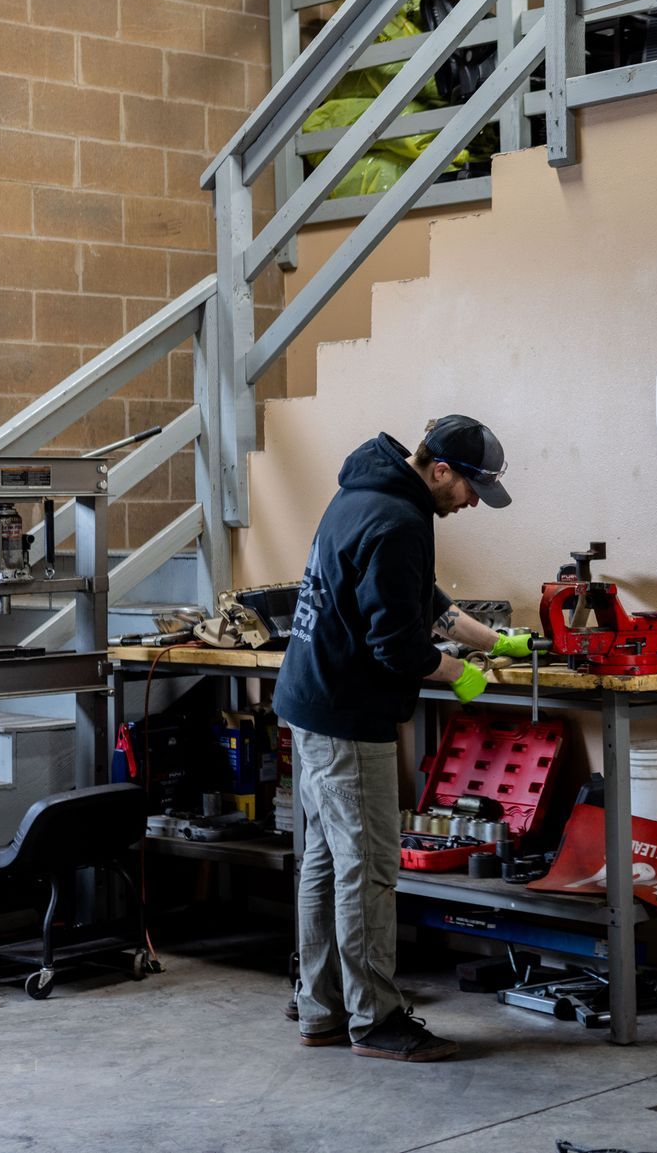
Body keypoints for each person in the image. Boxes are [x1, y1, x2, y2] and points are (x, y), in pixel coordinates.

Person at [273, 415, 533, 1062]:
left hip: (309, 701)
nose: (473, 503)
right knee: (369, 870)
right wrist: (466, 678)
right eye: (472, 488)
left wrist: (496, 641)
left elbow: (426, 600)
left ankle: (323, 1008)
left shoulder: (369, 492)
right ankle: (377, 1020)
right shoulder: (400, 521)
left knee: (330, 865)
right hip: (348, 715)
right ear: (441, 469)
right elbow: (400, 646)